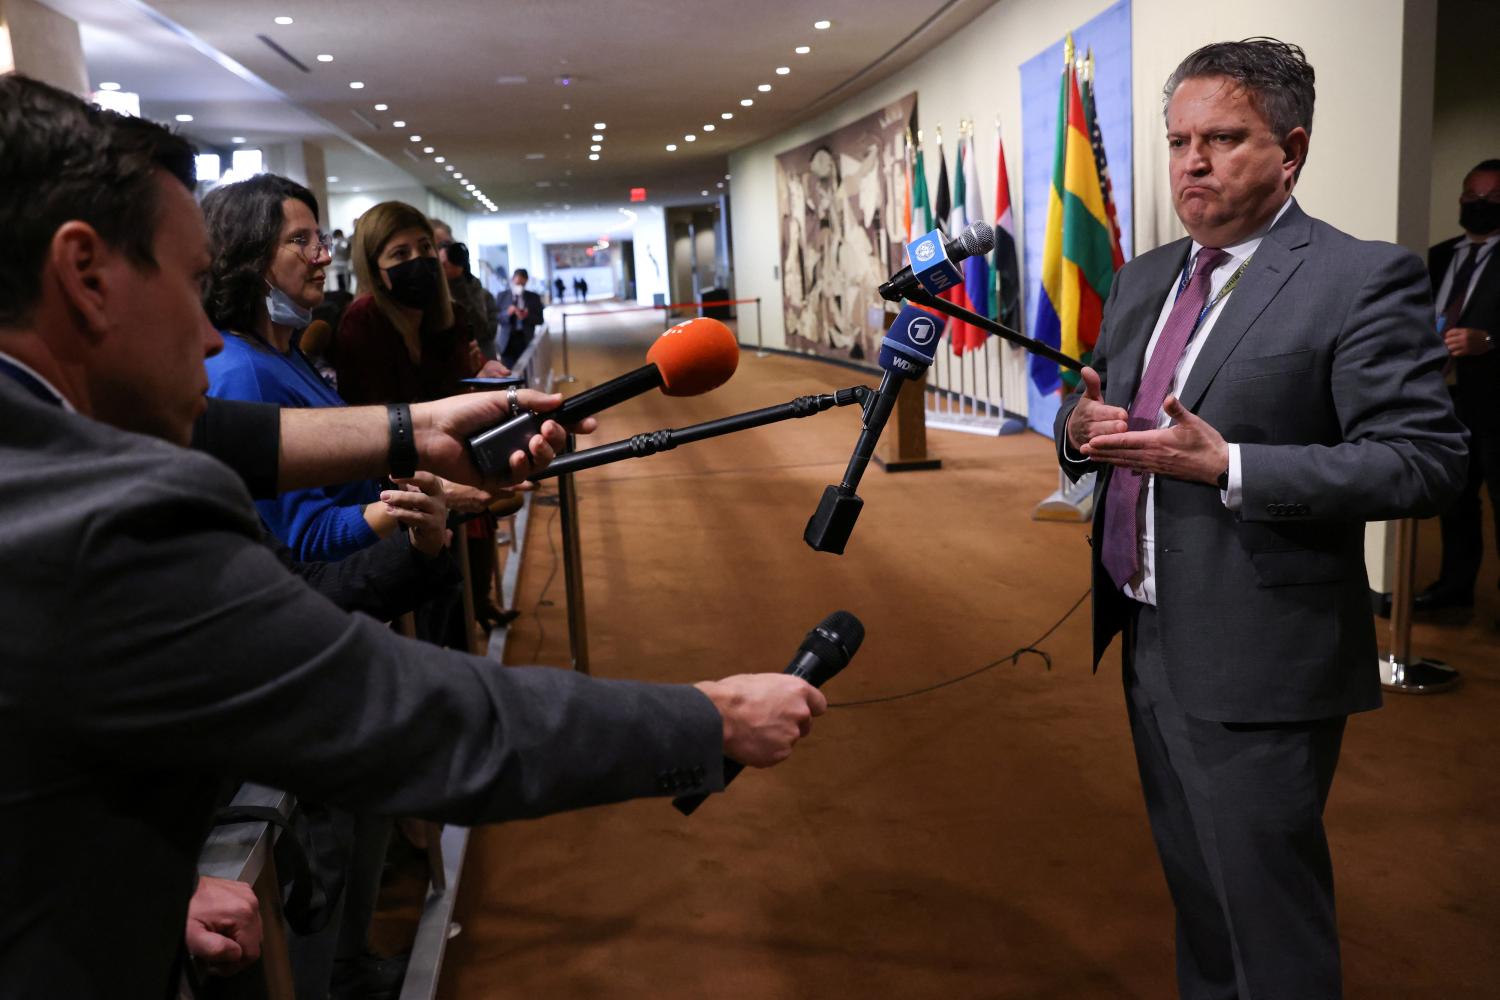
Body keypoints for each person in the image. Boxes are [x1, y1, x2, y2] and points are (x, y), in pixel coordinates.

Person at [0, 73, 825, 997]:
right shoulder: (99, 520)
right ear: (84, 274)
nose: (204, 337)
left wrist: (420, 429)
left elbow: (234, 435)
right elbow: (402, 714)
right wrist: (708, 720)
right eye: (192, 286)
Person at [1055, 40, 1465, 998]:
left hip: (1261, 653)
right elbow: (1104, 432)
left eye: (1223, 139)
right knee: (1198, 894)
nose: (1193, 162)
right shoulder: (1143, 277)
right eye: (1179, 141)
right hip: (1145, 626)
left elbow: (1426, 460)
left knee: (1266, 912)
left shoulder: (1360, 279)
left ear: (1292, 149)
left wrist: (1231, 464)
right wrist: (1079, 434)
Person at [203, 174, 416, 562]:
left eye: (319, 240)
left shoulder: (283, 351)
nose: (323, 256)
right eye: (300, 241)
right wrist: (418, 503)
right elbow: (306, 537)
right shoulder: (243, 372)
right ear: (248, 257)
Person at [1415, 159, 1500, 612]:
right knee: (1455, 502)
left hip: (1495, 402)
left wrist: (1489, 339)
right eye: (1472, 195)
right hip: (1443, 399)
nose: (1479, 205)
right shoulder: (1439, 254)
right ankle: (1452, 592)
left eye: (1491, 199)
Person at [443, 241, 501, 359]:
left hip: (480, 358)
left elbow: (482, 330)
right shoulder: (435, 288)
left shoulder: (474, 287)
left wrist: (457, 281)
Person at [496, 267, 545, 367]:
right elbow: (496, 317)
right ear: (512, 279)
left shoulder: (534, 297)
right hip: (507, 342)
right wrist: (507, 313)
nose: (519, 285)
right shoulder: (502, 296)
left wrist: (526, 317)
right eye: (517, 283)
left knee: (527, 370)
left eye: (522, 283)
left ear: (526, 281)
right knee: (508, 372)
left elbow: (540, 320)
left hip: (525, 339)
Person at [327, 227, 352, 293]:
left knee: (342, 282)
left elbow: (333, 253)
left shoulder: (338, 242)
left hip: (340, 265)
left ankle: (344, 294)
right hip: (344, 264)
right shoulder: (344, 241)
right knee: (345, 283)